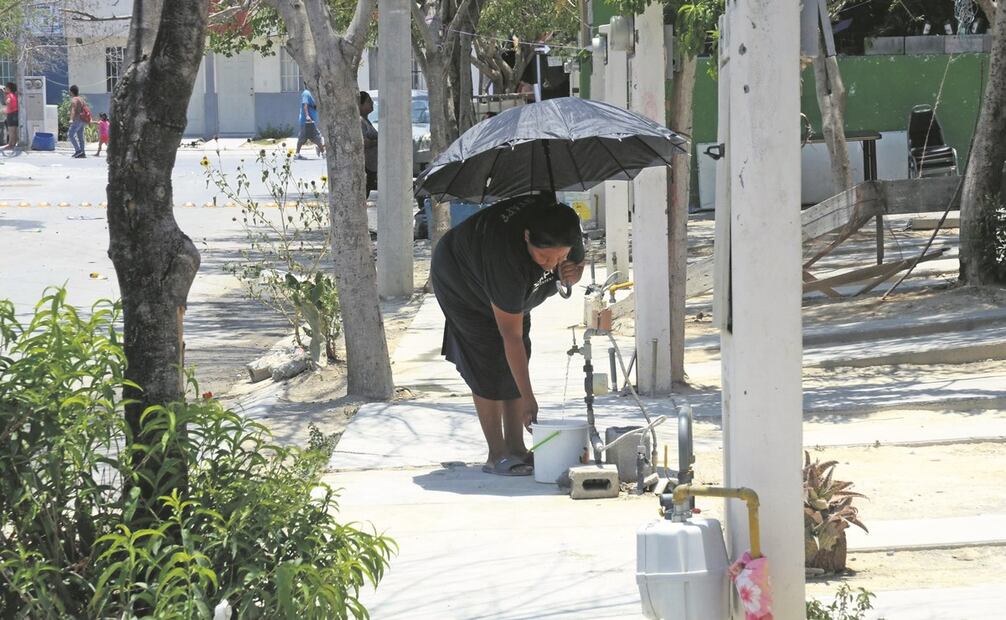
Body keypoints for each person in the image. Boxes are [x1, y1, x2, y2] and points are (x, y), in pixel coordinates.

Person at [431, 194, 585, 476]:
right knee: (488, 361)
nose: (551, 264)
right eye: (543, 256)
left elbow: (572, 270)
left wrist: (571, 273)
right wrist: (529, 398)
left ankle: (516, 449)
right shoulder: (503, 257)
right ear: (526, 237)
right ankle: (497, 454)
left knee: (519, 355)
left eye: (560, 256)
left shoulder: (566, 228)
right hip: (461, 281)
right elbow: (509, 337)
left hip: (509, 289)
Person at [294, 86, 324, 159]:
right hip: (306, 121)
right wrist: (307, 116)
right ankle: (323, 152)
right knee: (307, 137)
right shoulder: (306, 93)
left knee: (315, 137)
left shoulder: (313, 94)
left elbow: (314, 106)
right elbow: (305, 105)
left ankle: (297, 154)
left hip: (311, 121)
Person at [359, 91, 378, 197]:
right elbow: (363, 142)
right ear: (360, 104)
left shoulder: (366, 121)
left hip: (372, 167)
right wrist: (377, 142)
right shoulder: (360, 121)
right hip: (366, 166)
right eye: (368, 101)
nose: (371, 103)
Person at [68, 85, 86, 158]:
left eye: (69, 91)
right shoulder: (81, 99)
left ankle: (78, 151)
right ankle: (82, 152)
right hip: (82, 120)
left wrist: (71, 119)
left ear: (71, 91)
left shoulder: (74, 99)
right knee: (80, 137)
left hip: (77, 120)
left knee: (70, 135)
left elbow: (73, 109)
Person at [3, 82, 18, 150]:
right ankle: (13, 144)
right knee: (14, 130)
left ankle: (10, 145)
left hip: (11, 114)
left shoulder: (9, 95)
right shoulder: (14, 95)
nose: (5, 89)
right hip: (15, 113)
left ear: (9, 89)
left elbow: (7, 101)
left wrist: (6, 101)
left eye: (5, 88)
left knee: (11, 130)